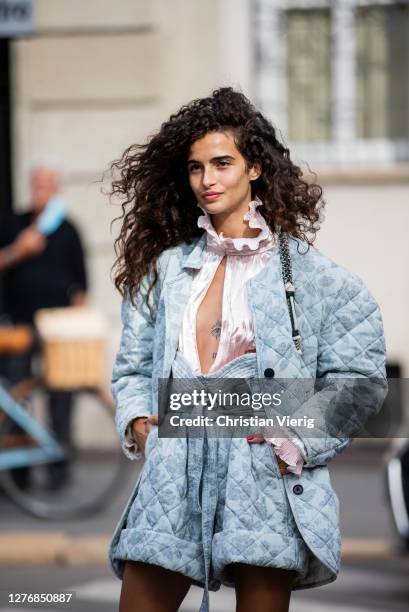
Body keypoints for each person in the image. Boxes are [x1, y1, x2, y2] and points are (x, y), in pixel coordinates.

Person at [108, 88, 387, 612]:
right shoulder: (167, 271)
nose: (207, 180)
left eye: (221, 163)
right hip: (174, 470)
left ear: (254, 168)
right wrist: (141, 422)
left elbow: (360, 378)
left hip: (260, 472)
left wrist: (298, 438)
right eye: (195, 168)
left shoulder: (310, 276)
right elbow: (133, 363)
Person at [0, 159, 88, 488]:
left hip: (58, 328)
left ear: (57, 190)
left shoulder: (67, 229)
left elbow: (81, 286)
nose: (41, 190)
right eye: (36, 184)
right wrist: (18, 251)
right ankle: (18, 473)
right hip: (17, 325)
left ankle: (58, 467)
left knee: (60, 397)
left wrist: (79, 325)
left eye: (47, 185)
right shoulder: (13, 224)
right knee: (16, 394)